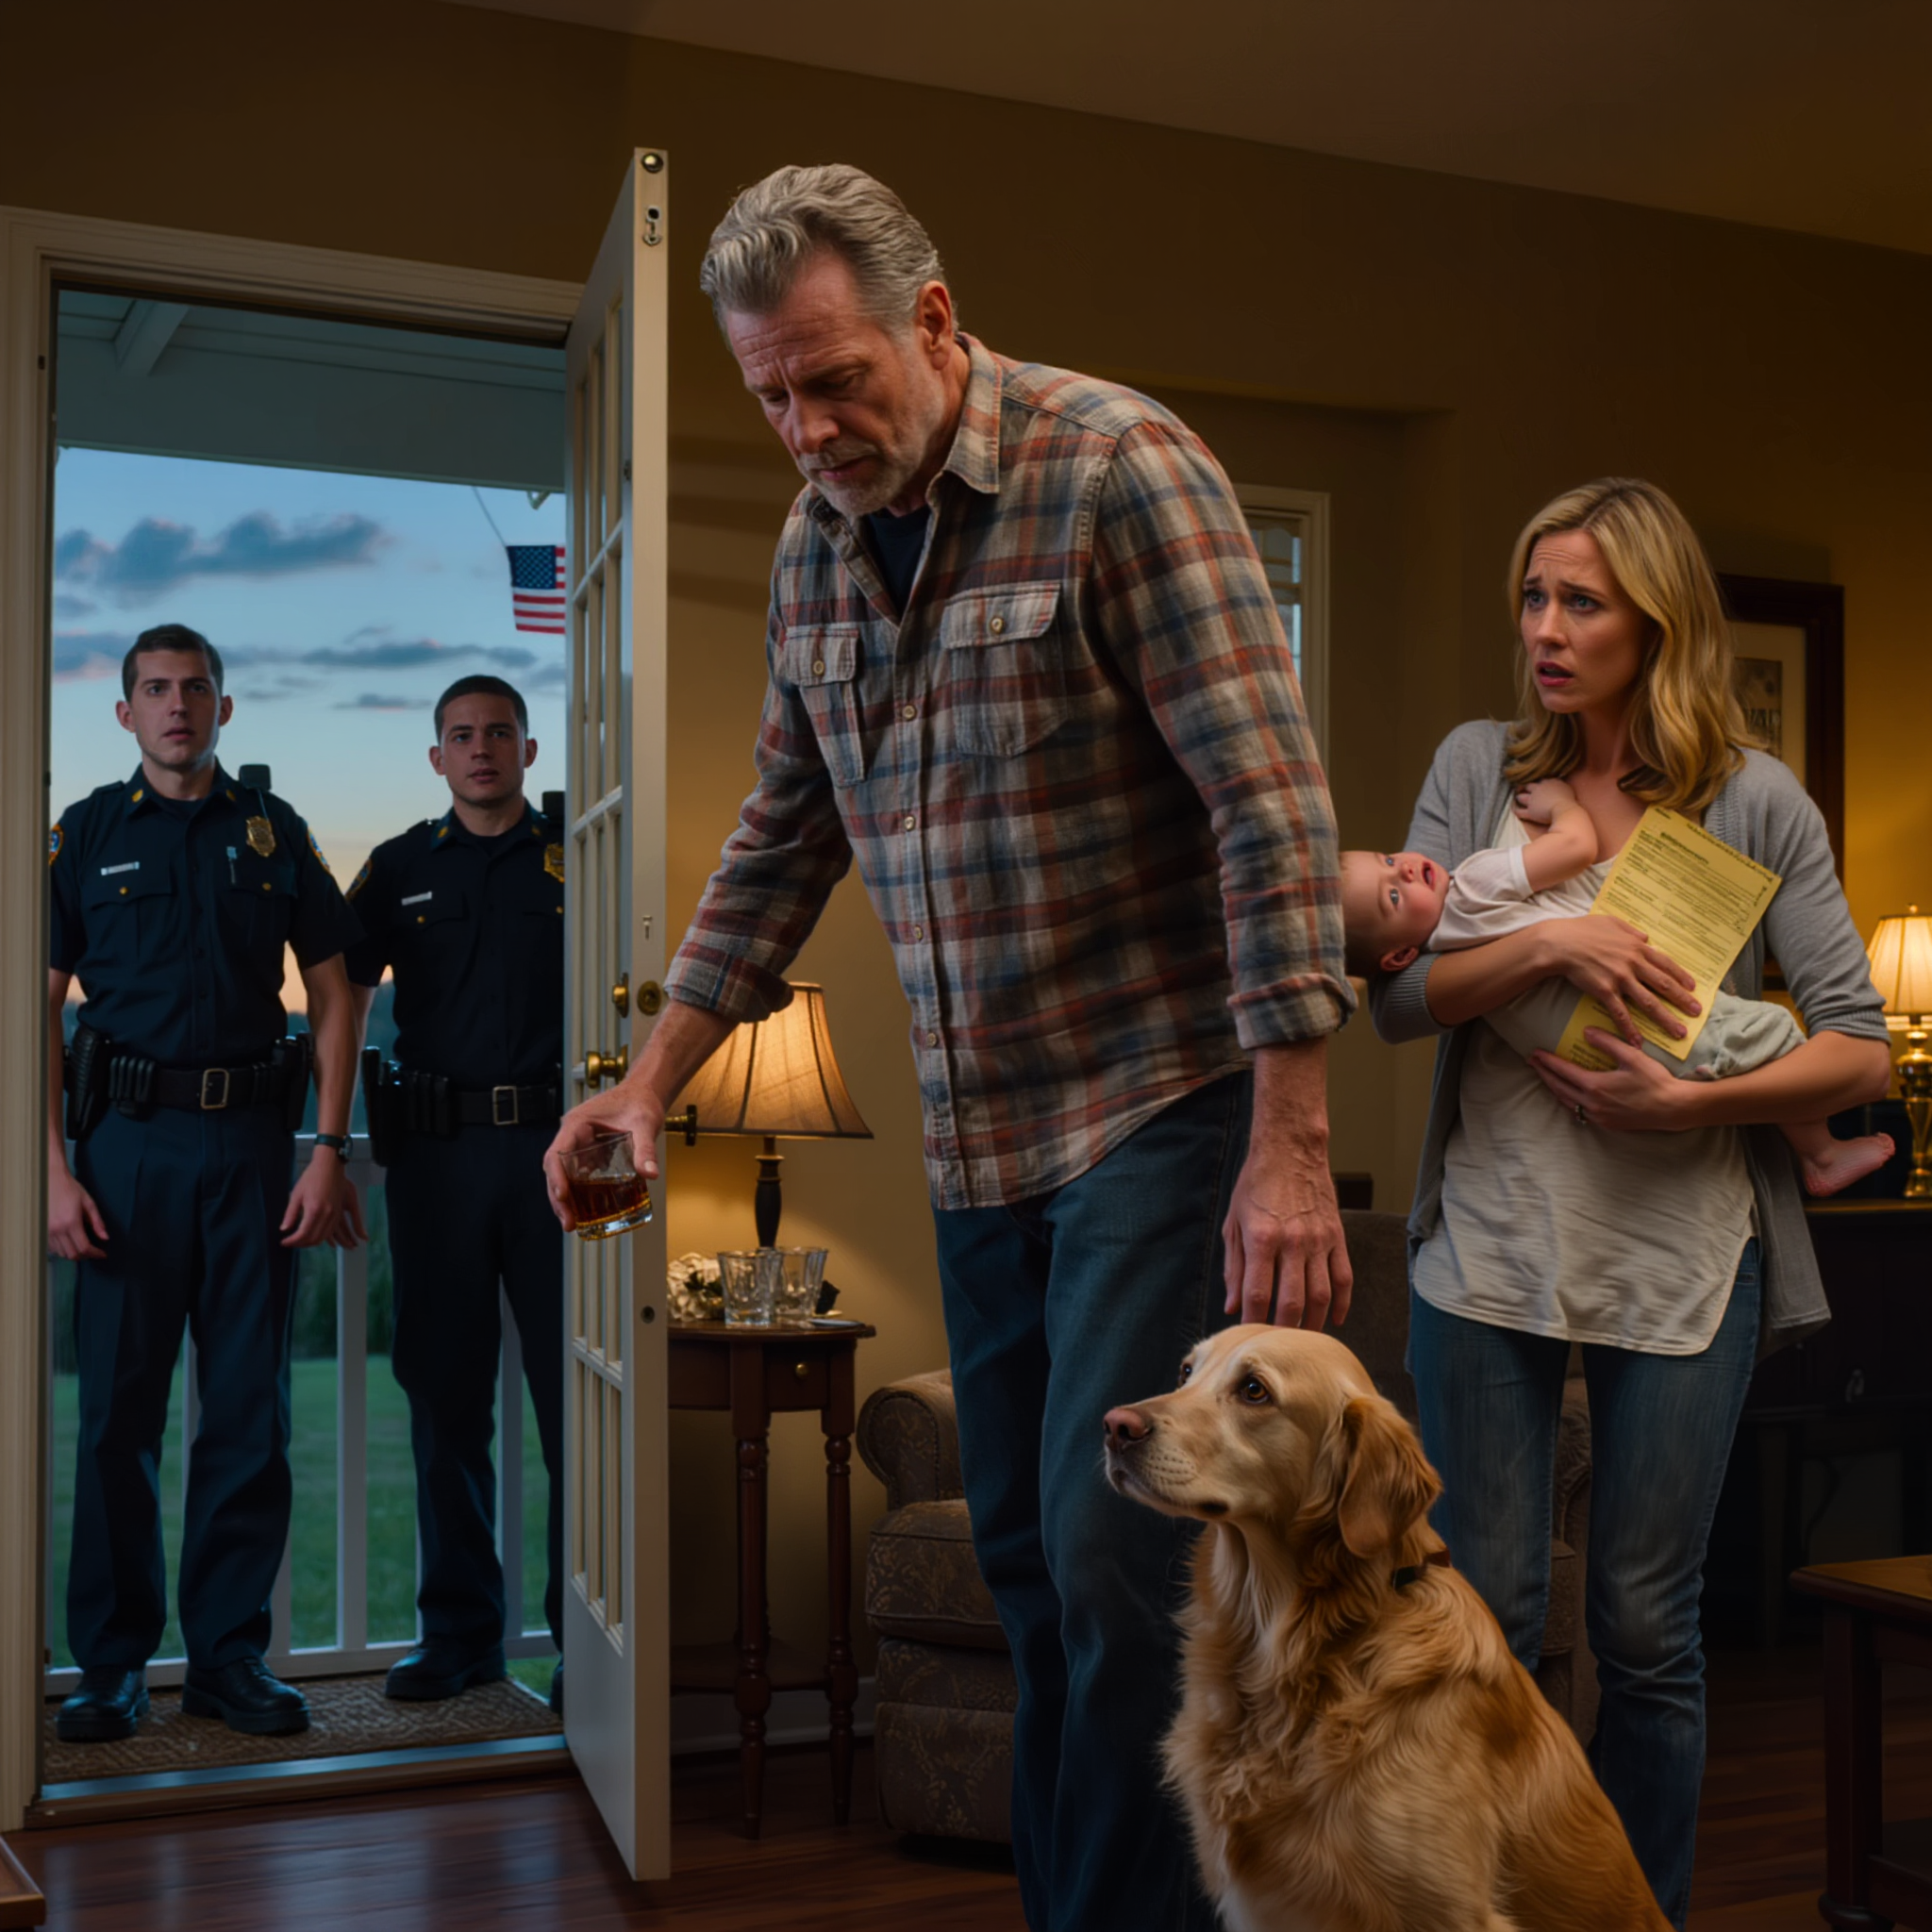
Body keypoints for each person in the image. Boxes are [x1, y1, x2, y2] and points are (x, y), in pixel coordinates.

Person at [542, 164, 1353, 1930]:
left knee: (1119, 1562)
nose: (806, 429)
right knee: (1025, 1568)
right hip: (982, 1138)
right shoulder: (812, 549)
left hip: (1156, 1105)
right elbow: (781, 836)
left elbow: (1269, 805)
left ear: (931, 320)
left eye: (833, 380)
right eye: (771, 396)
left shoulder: (1116, 470)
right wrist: (645, 1085)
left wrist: (1289, 1140)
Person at [1368, 477, 1891, 1927]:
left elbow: (1857, 1045)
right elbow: (1398, 998)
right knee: (1484, 1623)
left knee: (1647, 1635)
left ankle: (1633, 1911)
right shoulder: (1481, 770)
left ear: (1658, 624)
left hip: (1684, 1265)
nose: (1545, 629)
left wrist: (1693, 1105)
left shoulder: (1757, 799)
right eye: (1533, 599)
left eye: (1580, 603)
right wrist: (1562, 947)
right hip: (1489, 1255)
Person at [48, 623, 364, 1742]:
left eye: (194, 688)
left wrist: (328, 1147)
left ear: (224, 707)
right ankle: (111, 1665)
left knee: (246, 1410)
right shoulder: (87, 832)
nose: (176, 705)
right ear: (125, 710)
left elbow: (335, 992)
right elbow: (35, 1004)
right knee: (117, 1416)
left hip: (250, 1150)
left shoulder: (273, 831)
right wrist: (50, 1170)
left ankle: (229, 1657)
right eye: (155, 688)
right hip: (124, 1150)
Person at [1340, 779, 1893, 1196]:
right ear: (1399, 957)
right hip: (1655, 1025)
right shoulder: (1472, 882)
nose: (1405, 870)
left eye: (1389, 859)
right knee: (1773, 1031)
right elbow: (1575, 847)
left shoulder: (1446, 955)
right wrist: (1562, 806)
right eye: (1392, 895)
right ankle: (1819, 1152)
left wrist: (1681, 1106)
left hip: (1598, 1055)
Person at [344, 676, 567, 1712]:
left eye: (500, 733)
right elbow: (340, 987)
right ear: (437, 757)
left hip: (567, 1155)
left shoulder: (579, 854)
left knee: (581, 1403)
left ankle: (588, 1647)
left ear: (529, 749)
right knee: (444, 1399)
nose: (482, 749)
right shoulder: (399, 867)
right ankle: (460, 1636)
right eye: (462, 736)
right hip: (436, 1159)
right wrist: (333, 1130)